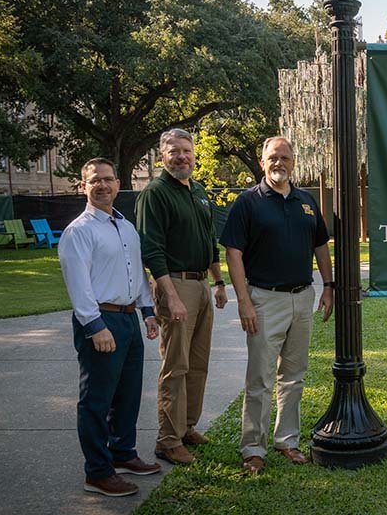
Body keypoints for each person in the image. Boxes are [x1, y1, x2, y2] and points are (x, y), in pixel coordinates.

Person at [220, 136, 334, 474]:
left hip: (303, 297)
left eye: (285, 157)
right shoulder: (248, 203)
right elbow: (233, 253)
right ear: (262, 162)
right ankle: (253, 447)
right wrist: (244, 302)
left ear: (293, 162)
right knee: (260, 377)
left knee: (294, 375)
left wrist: (328, 286)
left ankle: (288, 441)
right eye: (273, 157)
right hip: (264, 298)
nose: (279, 163)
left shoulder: (306, 201)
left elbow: (321, 246)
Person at [59, 158, 161, 497]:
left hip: (129, 318)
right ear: (83, 186)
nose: (102, 186)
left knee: (128, 394)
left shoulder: (126, 226)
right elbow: (78, 285)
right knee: (97, 400)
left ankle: (123, 453)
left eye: (108, 179)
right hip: (101, 320)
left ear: (118, 184)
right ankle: (98, 472)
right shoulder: (80, 231)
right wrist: (95, 326)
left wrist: (147, 311)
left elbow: (137, 273)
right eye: (94, 181)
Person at [135, 129, 228, 465]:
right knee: (176, 366)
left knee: (198, 364)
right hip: (175, 285)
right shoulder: (155, 193)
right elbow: (151, 248)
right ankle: (168, 440)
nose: (181, 157)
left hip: (201, 285)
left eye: (186, 151)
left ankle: (187, 427)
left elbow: (208, 239)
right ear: (163, 156)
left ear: (194, 155)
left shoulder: (198, 191)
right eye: (174, 151)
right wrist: (170, 296)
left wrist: (218, 282)